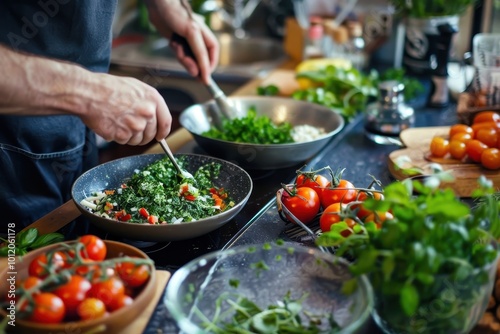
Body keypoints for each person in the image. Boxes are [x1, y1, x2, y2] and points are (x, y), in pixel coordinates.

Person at [0, 0, 219, 232]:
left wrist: (165, 5)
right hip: (11, 155)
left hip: (78, 133)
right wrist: (89, 93)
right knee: (16, 262)